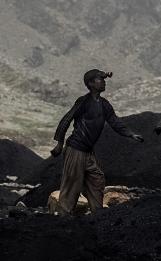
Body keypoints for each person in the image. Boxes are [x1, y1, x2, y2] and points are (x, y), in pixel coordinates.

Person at [50, 69, 144, 215]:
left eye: (103, 79)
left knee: (97, 180)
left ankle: (98, 217)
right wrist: (59, 143)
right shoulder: (84, 102)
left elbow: (115, 123)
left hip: (88, 151)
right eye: (100, 79)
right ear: (91, 83)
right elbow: (66, 120)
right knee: (72, 185)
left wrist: (131, 135)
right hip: (75, 149)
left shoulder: (105, 104)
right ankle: (63, 218)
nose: (104, 82)